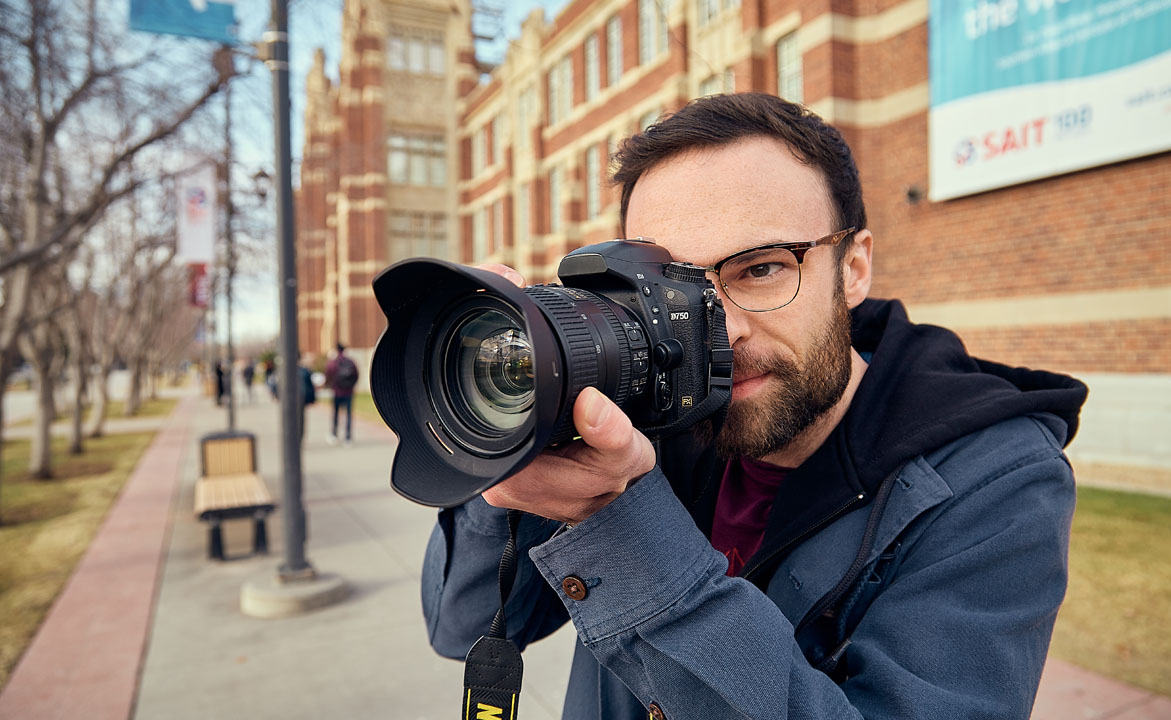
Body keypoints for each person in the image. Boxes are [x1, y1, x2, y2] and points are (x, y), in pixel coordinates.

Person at [421, 94, 1087, 719]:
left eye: (761, 268)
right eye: (673, 291)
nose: (722, 330)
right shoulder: (646, 414)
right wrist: (517, 433)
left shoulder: (994, 483)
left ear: (853, 268)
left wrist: (621, 521)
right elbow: (460, 625)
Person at [325, 343, 358, 445]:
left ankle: (334, 435)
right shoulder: (351, 362)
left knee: (335, 414)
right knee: (348, 414)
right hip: (348, 392)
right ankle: (348, 437)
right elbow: (356, 375)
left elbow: (328, 375)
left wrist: (331, 386)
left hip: (337, 392)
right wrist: (351, 386)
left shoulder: (333, 363)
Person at [297, 354, 317, 440]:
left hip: (295, 399)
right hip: (302, 398)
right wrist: (312, 399)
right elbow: (310, 387)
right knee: (301, 419)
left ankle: (296, 437)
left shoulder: (286, 371)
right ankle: (300, 437)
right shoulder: (305, 371)